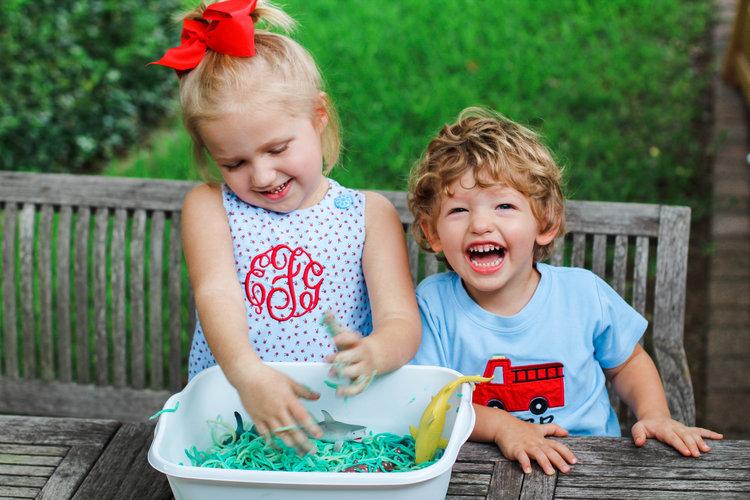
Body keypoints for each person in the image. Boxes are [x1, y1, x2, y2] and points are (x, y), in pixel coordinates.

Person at [151, 0, 420, 454]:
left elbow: (400, 321)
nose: (260, 176)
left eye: (277, 149)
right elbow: (216, 292)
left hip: (343, 428)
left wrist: (374, 354)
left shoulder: (368, 215)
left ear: (318, 117)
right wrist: (247, 373)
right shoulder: (210, 207)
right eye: (233, 162)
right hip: (233, 418)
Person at [408, 107, 723, 475]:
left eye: (504, 205)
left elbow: (629, 364)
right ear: (433, 234)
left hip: (590, 464)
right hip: (479, 469)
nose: (480, 224)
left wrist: (654, 415)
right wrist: (502, 427)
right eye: (459, 210)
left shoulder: (583, 294)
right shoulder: (434, 305)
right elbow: (430, 402)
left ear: (545, 223)